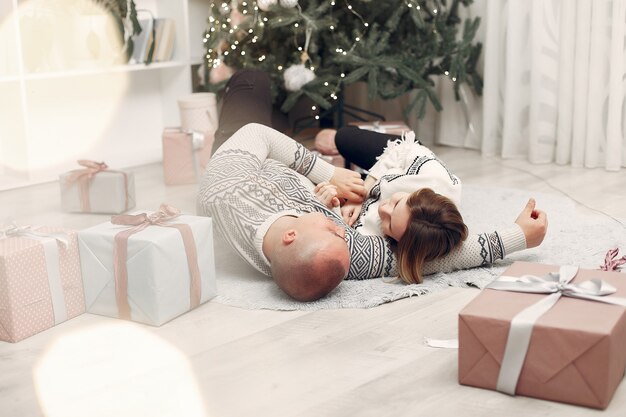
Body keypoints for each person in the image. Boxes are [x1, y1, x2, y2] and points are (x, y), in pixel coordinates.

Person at [197, 69, 548, 302]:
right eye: (340, 233)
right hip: (260, 162)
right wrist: (517, 237)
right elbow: (428, 260)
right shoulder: (331, 248)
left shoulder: (225, 187)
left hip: (234, 154)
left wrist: (319, 180)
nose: (346, 231)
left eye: (336, 231)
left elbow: (255, 137)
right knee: (273, 134)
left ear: (290, 236)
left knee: (250, 80)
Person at [313, 129, 471, 284]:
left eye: (389, 224)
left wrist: (331, 205)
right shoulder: (435, 177)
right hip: (395, 166)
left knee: (322, 184)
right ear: (414, 193)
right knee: (344, 138)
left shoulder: (380, 238)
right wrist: (361, 194)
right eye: (396, 203)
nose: (383, 209)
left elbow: (340, 233)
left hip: (377, 193)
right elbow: (403, 149)